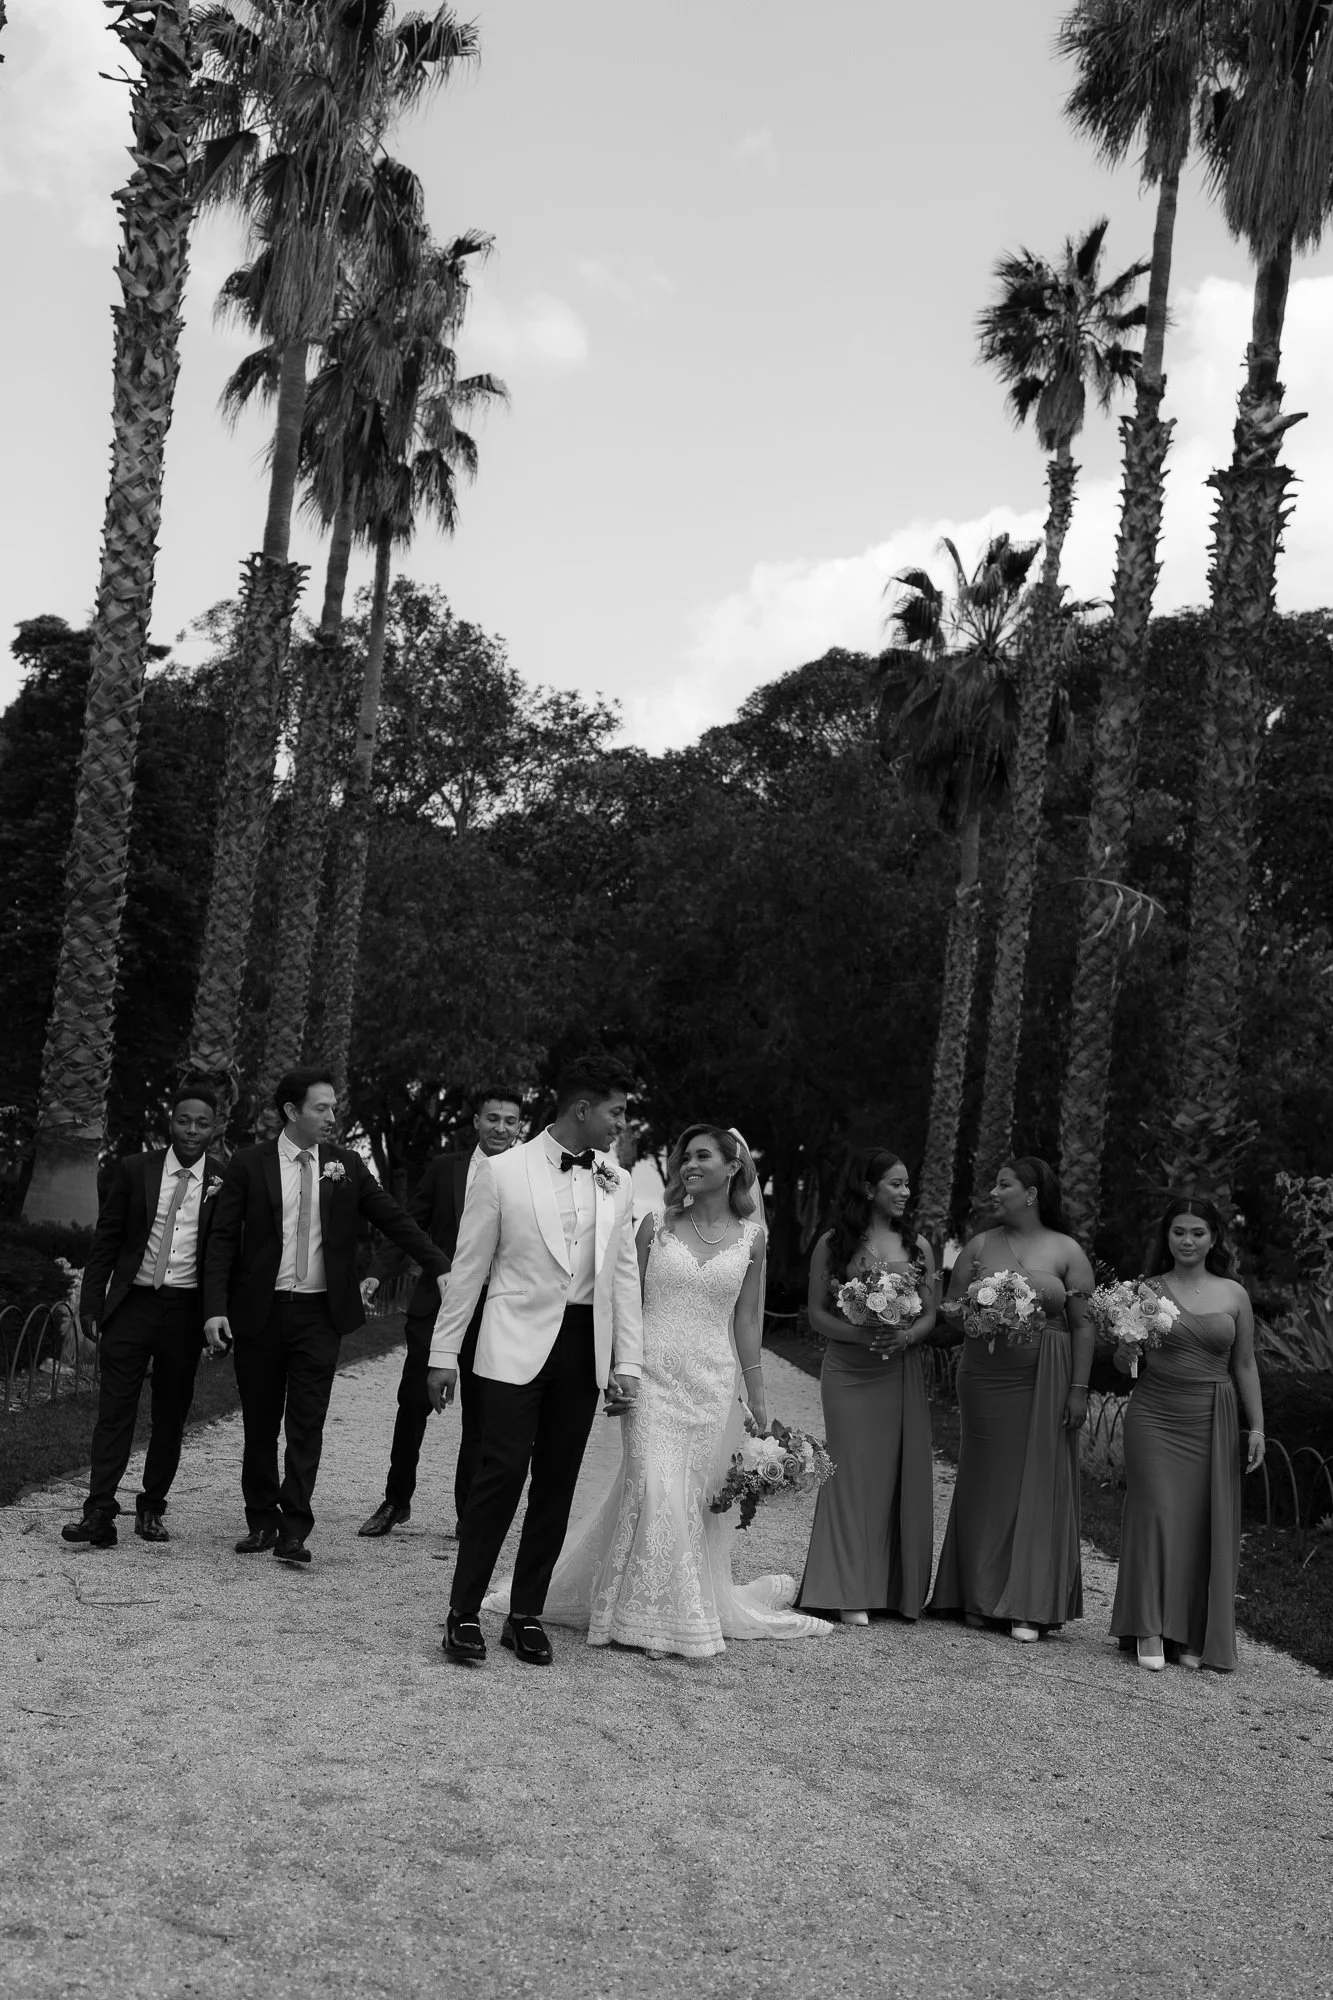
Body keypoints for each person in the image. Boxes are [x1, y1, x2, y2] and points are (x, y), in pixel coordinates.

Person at [486, 1124, 832, 1658]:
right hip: (651, 1376)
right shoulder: (655, 1225)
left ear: (733, 1166)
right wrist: (615, 1369)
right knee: (651, 1485)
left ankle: (666, 1609)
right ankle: (641, 1613)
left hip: (711, 1383)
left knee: (685, 1496)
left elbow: (747, 1320)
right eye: (683, 1156)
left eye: (702, 1156)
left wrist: (758, 1398)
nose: (688, 1165)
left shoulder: (752, 1239)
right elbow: (624, 1298)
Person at [426, 1054, 644, 1666]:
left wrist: (626, 1363)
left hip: (582, 1348)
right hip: (512, 1344)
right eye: (616, 1112)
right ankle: (463, 1612)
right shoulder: (501, 1172)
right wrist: (443, 1352)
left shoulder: (616, 1179)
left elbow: (623, 1278)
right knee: (498, 1478)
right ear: (582, 1109)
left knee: (557, 1483)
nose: (620, 1126)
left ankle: (525, 1613)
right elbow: (468, 1270)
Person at [203, 1066, 449, 1567]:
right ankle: (260, 1520)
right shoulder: (249, 1165)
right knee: (259, 1422)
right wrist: (214, 1310)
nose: (333, 1116)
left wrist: (439, 1265)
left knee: (306, 1424)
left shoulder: (346, 1166)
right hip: (261, 1314)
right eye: (322, 1107)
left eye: (335, 1107)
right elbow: (222, 1240)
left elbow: (395, 1220)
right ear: (292, 1112)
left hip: (320, 1317)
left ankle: (294, 1528)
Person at [928, 1156, 1093, 1641]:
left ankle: (1029, 1602)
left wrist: (1078, 1390)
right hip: (984, 1377)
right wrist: (984, 1313)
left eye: (1004, 1185)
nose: (994, 1194)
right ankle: (976, 1595)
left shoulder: (1067, 1251)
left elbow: (1084, 1326)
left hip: (1045, 1375)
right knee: (984, 1480)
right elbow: (952, 1313)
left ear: (1033, 1193)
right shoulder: (979, 1246)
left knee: (1037, 1481)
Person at [61, 1084, 226, 1548]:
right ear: (170, 1122)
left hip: (185, 1312)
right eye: (183, 1120)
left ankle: (151, 1508)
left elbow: (224, 1257)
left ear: (214, 1128)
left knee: (170, 1414)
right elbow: (107, 1239)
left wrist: (219, 1315)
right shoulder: (136, 1169)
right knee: (114, 1410)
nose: (191, 1130)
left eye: (202, 1123)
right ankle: (99, 1512)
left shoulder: (223, 1180)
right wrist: (91, 1302)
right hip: (132, 1304)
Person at [357, 1087, 523, 1540]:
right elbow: (409, 1227)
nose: (501, 1128)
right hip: (439, 1307)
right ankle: (396, 1500)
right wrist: (377, 1272)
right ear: (476, 1121)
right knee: (413, 1402)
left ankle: (469, 1513)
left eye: (510, 1121)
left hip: (498, 1312)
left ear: (521, 1126)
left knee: (483, 1417)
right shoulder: (444, 1168)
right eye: (493, 1118)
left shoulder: (529, 1177)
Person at [1110, 1196, 1265, 1674]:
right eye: (1179, 1231)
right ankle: (1150, 1626)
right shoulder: (1146, 1290)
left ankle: (1190, 1631)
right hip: (1155, 1412)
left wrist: (1256, 1425)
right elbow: (1123, 1363)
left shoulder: (1234, 1294)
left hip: (1211, 1415)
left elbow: (1244, 1363)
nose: (1187, 1240)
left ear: (1214, 1238)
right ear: (1167, 1237)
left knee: (1199, 1524)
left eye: (1198, 1232)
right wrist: (1127, 1349)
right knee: (1155, 1513)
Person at [796, 1148, 936, 1624]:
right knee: (849, 1474)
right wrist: (862, 1333)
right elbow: (816, 1313)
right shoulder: (834, 1243)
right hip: (848, 1372)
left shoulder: (918, 1245)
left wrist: (906, 1335)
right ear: (869, 1187)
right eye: (895, 1183)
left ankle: (890, 1589)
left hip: (898, 1370)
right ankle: (845, 1586)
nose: (905, 1192)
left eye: (907, 1184)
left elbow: (932, 1312)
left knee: (892, 1475)